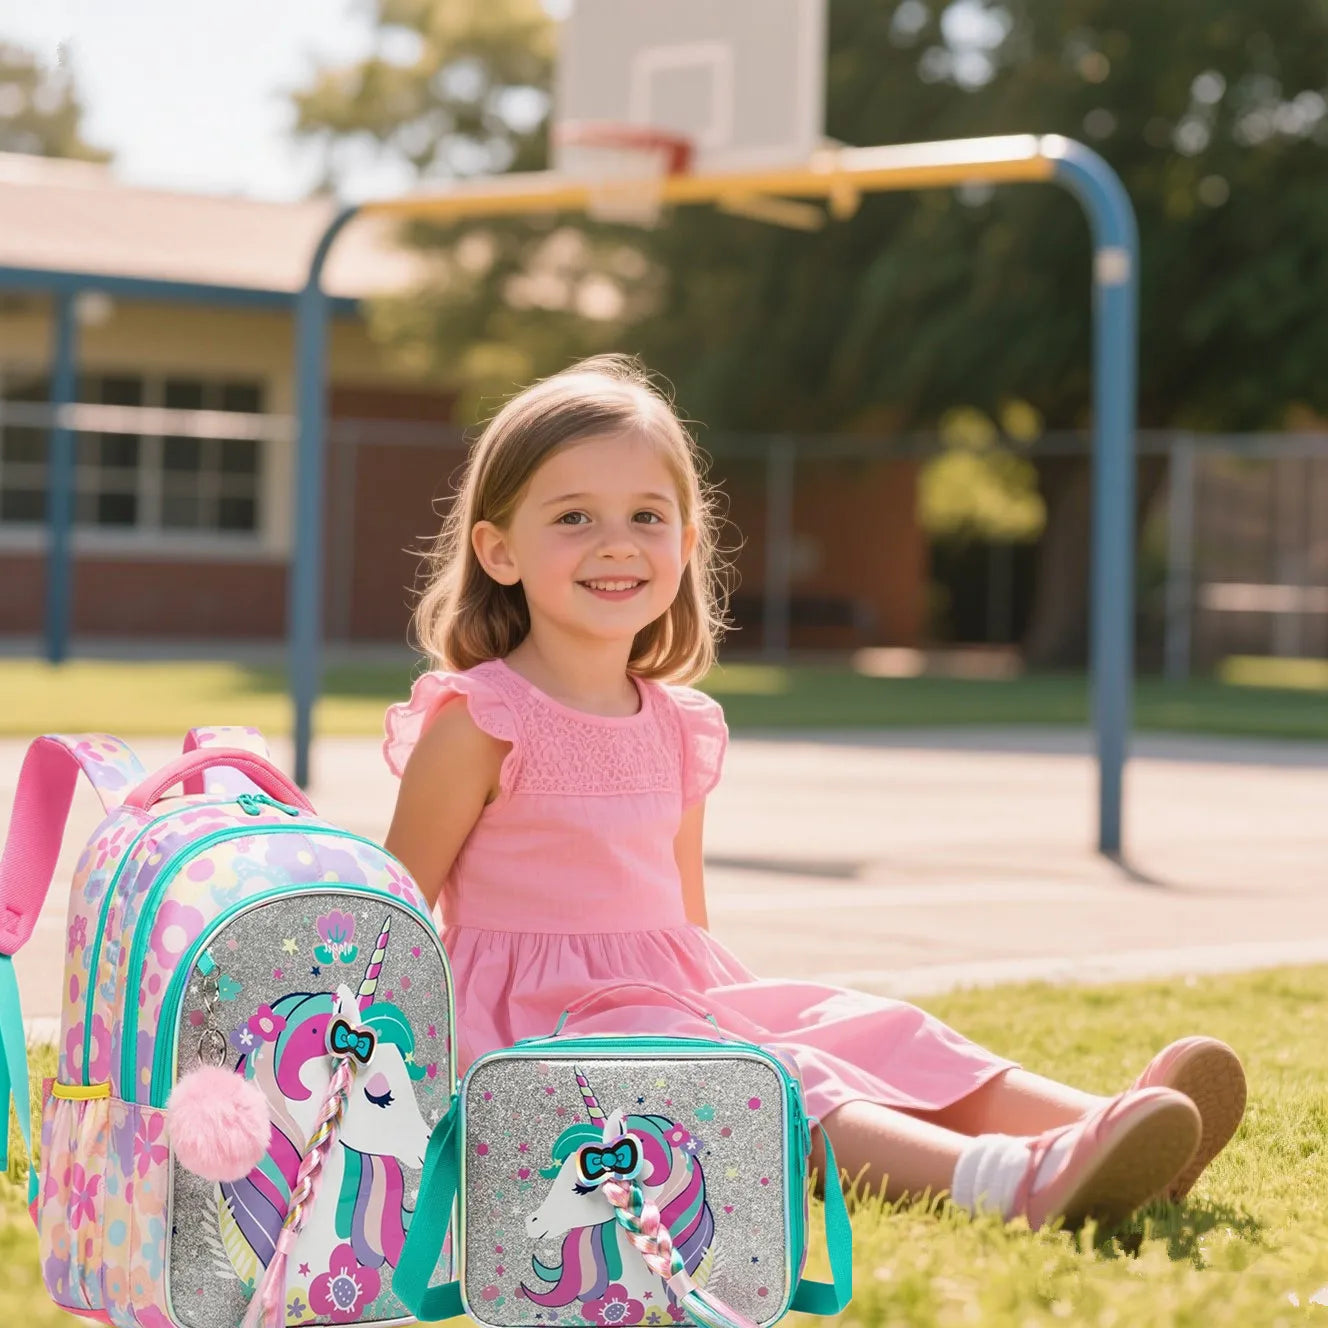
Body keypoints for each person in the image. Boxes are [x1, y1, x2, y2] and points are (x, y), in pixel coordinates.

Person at [383, 354, 1246, 1231]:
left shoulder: (681, 725)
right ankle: (1009, 1181)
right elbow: (393, 918)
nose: (617, 542)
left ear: (686, 543)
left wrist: (745, 1017)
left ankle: (1102, 1124)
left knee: (870, 1027)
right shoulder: (484, 719)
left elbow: (687, 922)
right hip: (539, 1036)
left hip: (672, 992)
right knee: (775, 1081)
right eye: (573, 517)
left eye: (647, 515)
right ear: (499, 550)